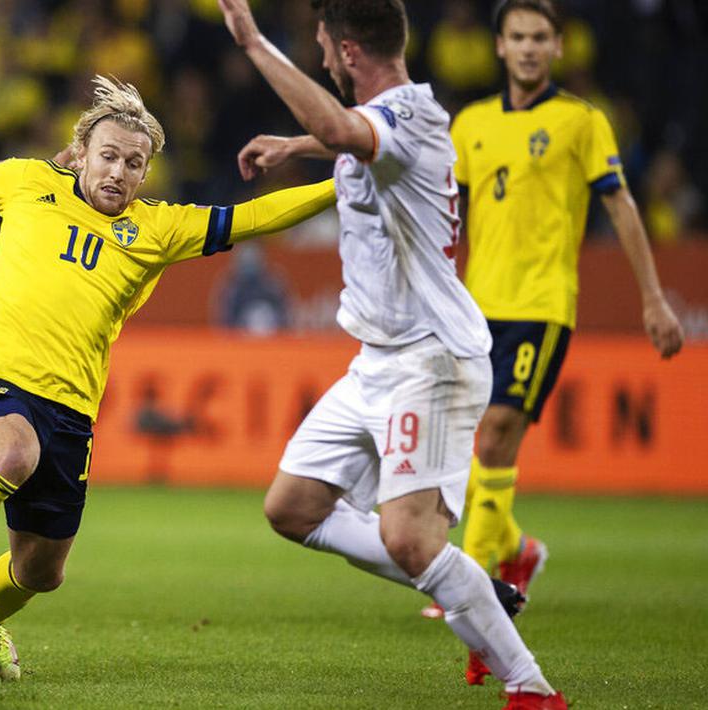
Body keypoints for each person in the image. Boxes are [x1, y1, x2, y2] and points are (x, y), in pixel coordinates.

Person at [0, 75, 336, 683]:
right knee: (13, 453)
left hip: (71, 414)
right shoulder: (27, 182)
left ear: (146, 172)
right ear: (80, 155)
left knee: (41, 571)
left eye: (134, 163)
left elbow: (254, 216)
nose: (119, 172)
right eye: (109, 157)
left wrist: (343, 185)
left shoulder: (159, 229)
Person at [219, 0, 567, 707]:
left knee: (408, 539)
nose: (319, 60)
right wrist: (295, 146)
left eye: (322, 48)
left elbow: (348, 129)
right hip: (377, 360)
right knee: (292, 506)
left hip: (430, 362)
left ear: (348, 54)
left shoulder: (404, 117)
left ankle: (529, 687)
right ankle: (463, 580)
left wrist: (254, 44)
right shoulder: (384, 125)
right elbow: (346, 137)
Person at [430, 0, 685, 655]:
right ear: (497, 46)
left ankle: (473, 586)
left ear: (558, 47)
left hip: (542, 305)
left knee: (494, 436)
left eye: (539, 37)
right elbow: (445, 218)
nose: (527, 48)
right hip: (474, 307)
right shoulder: (471, 124)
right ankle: (516, 550)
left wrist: (652, 299)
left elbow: (621, 205)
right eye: (516, 36)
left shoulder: (581, 121)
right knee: (471, 450)